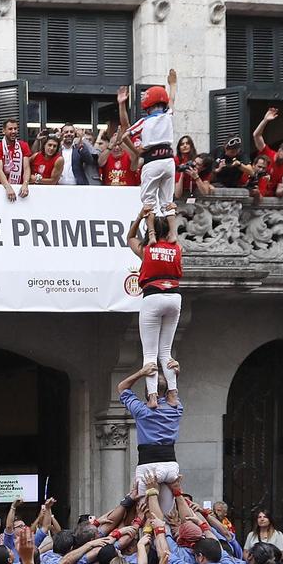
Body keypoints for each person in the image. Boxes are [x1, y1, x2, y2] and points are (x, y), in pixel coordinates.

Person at [127, 206, 182, 400]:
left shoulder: (147, 249)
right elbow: (173, 234)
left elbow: (129, 238)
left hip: (153, 295)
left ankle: (152, 396)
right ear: (168, 231)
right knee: (166, 351)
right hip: (174, 296)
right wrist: (171, 216)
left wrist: (139, 218)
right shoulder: (176, 248)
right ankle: (173, 394)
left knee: (149, 354)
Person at [119, 363, 183, 512]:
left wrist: (141, 372)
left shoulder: (141, 410)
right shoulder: (176, 409)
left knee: (146, 513)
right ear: (166, 391)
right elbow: (171, 393)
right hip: (170, 466)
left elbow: (122, 388)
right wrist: (173, 375)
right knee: (166, 516)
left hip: (149, 465)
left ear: (147, 391)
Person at [120, 71, 178, 219]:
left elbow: (125, 135)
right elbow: (172, 99)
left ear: (146, 105)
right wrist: (173, 84)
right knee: (167, 202)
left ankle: (151, 233)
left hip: (152, 161)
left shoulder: (145, 122)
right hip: (169, 161)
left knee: (149, 202)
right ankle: (172, 234)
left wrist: (136, 151)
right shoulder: (168, 115)